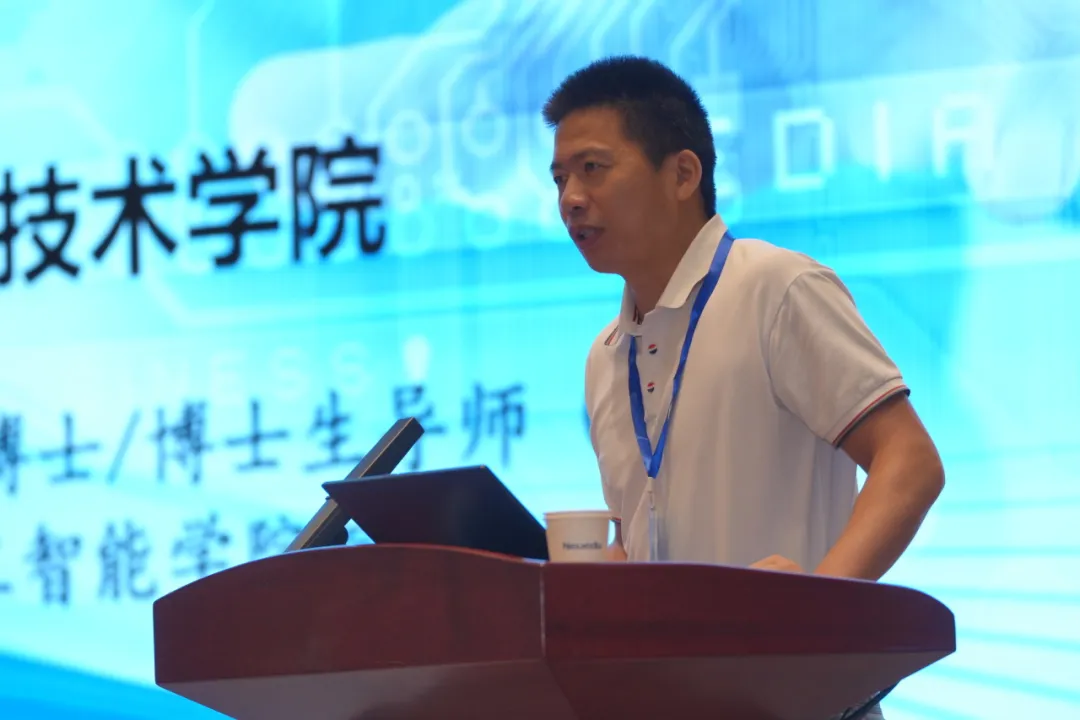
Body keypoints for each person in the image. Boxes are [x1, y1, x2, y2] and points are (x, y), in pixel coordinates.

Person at [544, 56, 944, 718]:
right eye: (559, 178)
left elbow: (911, 461)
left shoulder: (775, 287)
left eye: (593, 168)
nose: (571, 199)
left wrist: (815, 612)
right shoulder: (605, 355)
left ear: (683, 174)